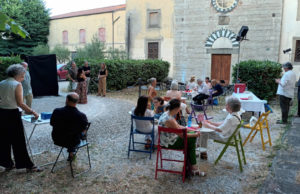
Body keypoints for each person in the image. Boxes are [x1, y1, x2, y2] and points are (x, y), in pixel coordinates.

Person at [0, 64, 41, 172]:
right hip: (12, 114)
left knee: (5, 140)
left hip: (2, 113)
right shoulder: (17, 84)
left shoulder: (2, 83)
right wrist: (33, 112)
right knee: (18, 140)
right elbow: (20, 103)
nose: (23, 78)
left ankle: (7, 163)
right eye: (22, 76)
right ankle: (27, 165)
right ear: (17, 75)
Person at [158, 99, 206, 176]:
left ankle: (191, 166)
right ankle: (194, 167)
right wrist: (196, 134)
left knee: (191, 143)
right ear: (177, 108)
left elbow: (179, 127)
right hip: (170, 143)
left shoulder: (167, 113)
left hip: (166, 139)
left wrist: (192, 130)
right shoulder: (170, 120)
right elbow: (182, 135)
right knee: (191, 141)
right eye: (180, 108)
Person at [50, 93, 88, 161]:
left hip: (57, 139)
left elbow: (52, 123)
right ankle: (71, 152)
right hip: (73, 141)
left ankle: (71, 152)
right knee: (78, 132)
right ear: (77, 101)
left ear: (67, 99)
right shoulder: (82, 116)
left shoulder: (57, 111)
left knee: (69, 133)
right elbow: (83, 128)